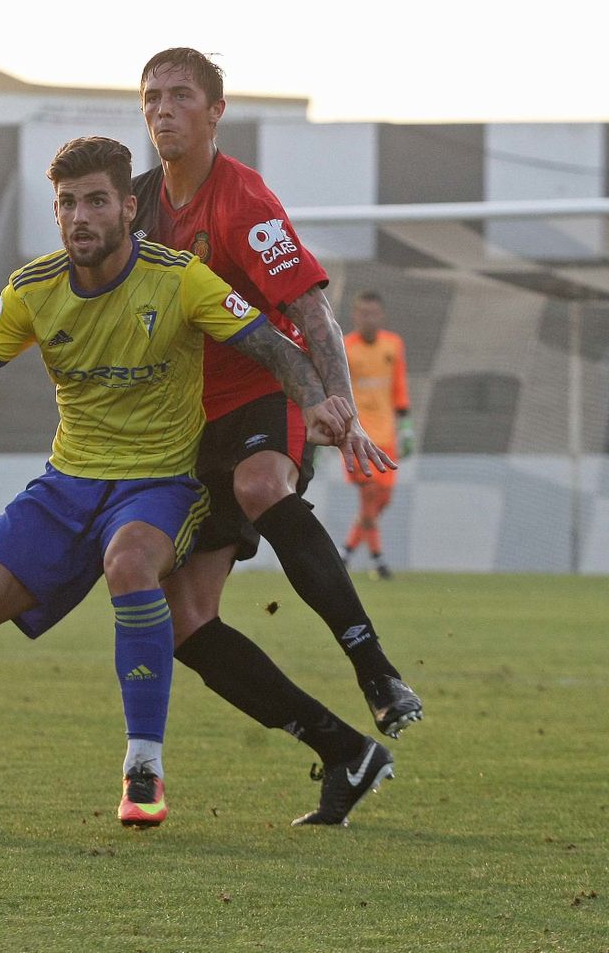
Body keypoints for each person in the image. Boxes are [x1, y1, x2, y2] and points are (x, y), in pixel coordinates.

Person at [0, 136, 364, 830]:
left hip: (163, 482)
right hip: (67, 485)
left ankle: (144, 770)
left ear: (128, 208)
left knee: (130, 562)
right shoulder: (33, 288)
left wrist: (319, 400)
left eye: (97, 200)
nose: (80, 216)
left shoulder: (178, 278)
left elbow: (274, 345)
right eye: (67, 203)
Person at [132, 47, 423, 826]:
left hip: (262, 392)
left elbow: (311, 309)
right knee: (189, 622)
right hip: (184, 425)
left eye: (181, 96)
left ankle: (377, 670)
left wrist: (336, 401)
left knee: (262, 484)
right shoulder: (136, 204)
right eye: (152, 96)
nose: (163, 109)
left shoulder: (242, 201)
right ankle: (345, 751)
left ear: (215, 111)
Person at [341, 291, 414, 579]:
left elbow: (398, 385)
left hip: (387, 436)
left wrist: (406, 426)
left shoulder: (393, 345)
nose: (367, 318)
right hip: (358, 437)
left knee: (382, 499)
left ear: (380, 315)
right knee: (369, 496)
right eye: (362, 312)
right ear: (355, 315)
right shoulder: (345, 348)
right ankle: (378, 559)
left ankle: (346, 553)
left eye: (372, 313)